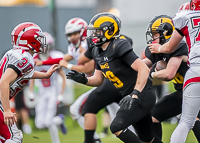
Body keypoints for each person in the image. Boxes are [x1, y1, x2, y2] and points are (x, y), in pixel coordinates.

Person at [67, 12, 162, 143]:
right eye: (93, 32)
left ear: (109, 31)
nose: (93, 35)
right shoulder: (97, 50)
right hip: (129, 96)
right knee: (147, 137)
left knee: (117, 126)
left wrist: (135, 94)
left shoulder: (118, 45)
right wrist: (84, 80)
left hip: (142, 94)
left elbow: (143, 69)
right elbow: (98, 80)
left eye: (98, 31)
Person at [148, 1, 200, 142]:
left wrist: (151, 73)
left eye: (156, 34)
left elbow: (168, 74)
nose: (153, 38)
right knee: (153, 115)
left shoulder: (180, 45)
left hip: (192, 85)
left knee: (190, 119)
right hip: (183, 91)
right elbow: (143, 64)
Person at [0, 22, 58, 143]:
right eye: (38, 39)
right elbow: (3, 82)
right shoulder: (24, 58)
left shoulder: (18, 54)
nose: (41, 42)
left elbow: (23, 74)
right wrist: (6, 109)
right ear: (30, 41)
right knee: (14, 138)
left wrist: (45, 75)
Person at [29, 32, 67, 143]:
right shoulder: (33, 58)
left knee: (48, 121)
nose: (44, 48)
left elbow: (63, 77)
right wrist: (31, 92)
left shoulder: (54, 57)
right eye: (41, 46)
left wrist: (61, 94)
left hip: (52, 92)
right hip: (41, 92)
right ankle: (59, 119)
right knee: (39, 123)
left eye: (46, 46)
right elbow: (32, 76)